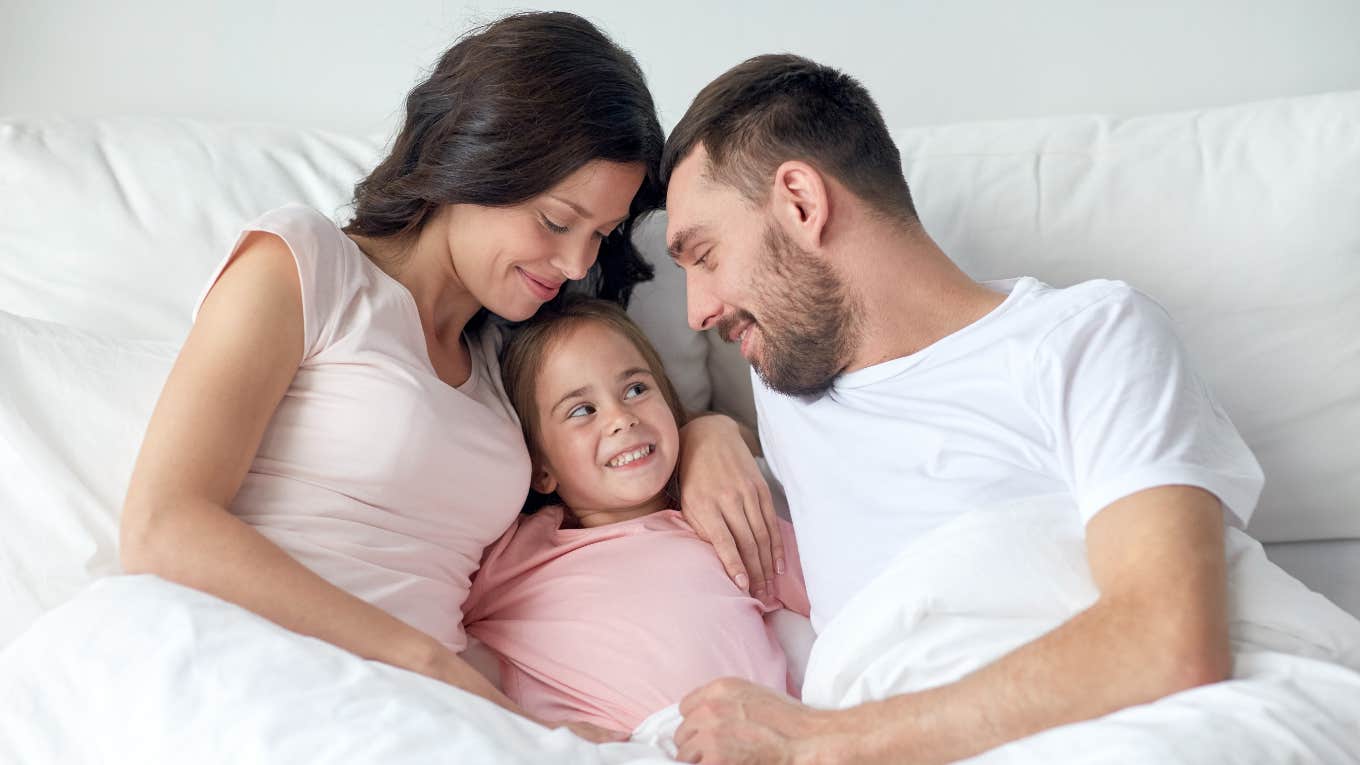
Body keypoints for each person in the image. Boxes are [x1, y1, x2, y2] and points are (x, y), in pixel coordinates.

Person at [116, 12, 782, 745]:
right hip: (279, 670)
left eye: (597, 236)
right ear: (478, 160)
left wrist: (708, 432)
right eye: (556, 221)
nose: (571, 264)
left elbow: (612, 457)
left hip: (432, 714)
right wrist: (426, 663)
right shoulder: (308, 266)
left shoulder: (511, 357)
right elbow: (163, 526)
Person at [660, 54, 1264, 763]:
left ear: (800, 202)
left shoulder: (1088, 337)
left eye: (704, 255)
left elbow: (1168, 641)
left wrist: (816, 743)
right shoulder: (781, 377)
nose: (697, 312)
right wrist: (703, 434)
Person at [461, 297, 810, 737]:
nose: (621, 419)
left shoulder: (721, 523)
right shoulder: (508, 556)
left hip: (748, 737)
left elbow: (843, 595)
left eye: (636, 390)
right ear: (541, 468)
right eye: (582, 411)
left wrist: (713, 429)